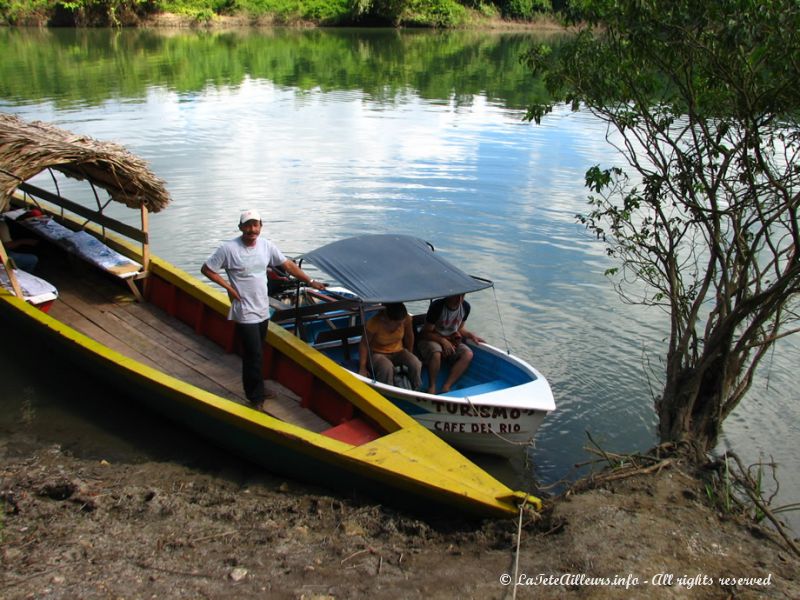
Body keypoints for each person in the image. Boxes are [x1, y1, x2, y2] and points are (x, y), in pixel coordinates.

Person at [201, 209, 325, 409]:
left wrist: (311, 281)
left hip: (262, 308)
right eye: (247, 225)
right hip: (244, 310)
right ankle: (255, 397)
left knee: (259, 351)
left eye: (255, 225)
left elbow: (287, 265)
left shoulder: (266, 246)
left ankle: (258, 387)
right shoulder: (228, 249)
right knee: (253, 354)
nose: (252, 230)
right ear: (240, 227)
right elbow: (207, 269)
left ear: (260, 226)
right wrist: (229, 288)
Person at [417, 294, 484, 394]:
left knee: (468, 354)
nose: (459, 299)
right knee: (436, 352)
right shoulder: (438, 306)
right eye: (456, 296)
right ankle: (432, 386)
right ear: (449, 295)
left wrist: (470, 335)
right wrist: (442, 341)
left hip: (451, 339)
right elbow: (425, 333)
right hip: (432, 338)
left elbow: (460, 328)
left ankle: (447, 385)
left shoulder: (465, 307)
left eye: (462, 296)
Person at [358, 302, 422, 390]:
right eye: (397, 324)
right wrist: (362, 367)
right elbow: (364, 345)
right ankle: (388, 391)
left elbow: (409, 336)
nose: (400, 326)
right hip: (377, 353)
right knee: (386, 367)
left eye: (401, 323)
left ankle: (416, 388)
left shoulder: (406, 319)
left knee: (415, 363)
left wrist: (409, 353)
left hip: (398, 351)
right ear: (387, 319)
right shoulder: (373, 324)